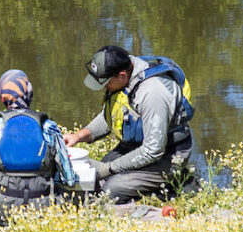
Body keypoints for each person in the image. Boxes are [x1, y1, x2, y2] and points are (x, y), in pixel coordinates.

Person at [62, 45, 196, 202]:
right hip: (135, 147)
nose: (104, 88)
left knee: (109, 191)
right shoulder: (125, 73)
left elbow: (153, 151)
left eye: (105, 84)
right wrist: (78, 136)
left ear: (121, 75)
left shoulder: (153, 93)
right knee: (90, 179)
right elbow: (110, 115)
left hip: (167, 156)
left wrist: (108, 168)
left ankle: (175, 186)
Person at [0, 69, 81, 201]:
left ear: (3, 98)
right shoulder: (49, 127)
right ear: (30, 94)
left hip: (4, 204)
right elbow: (70, 180)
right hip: (43, 204)